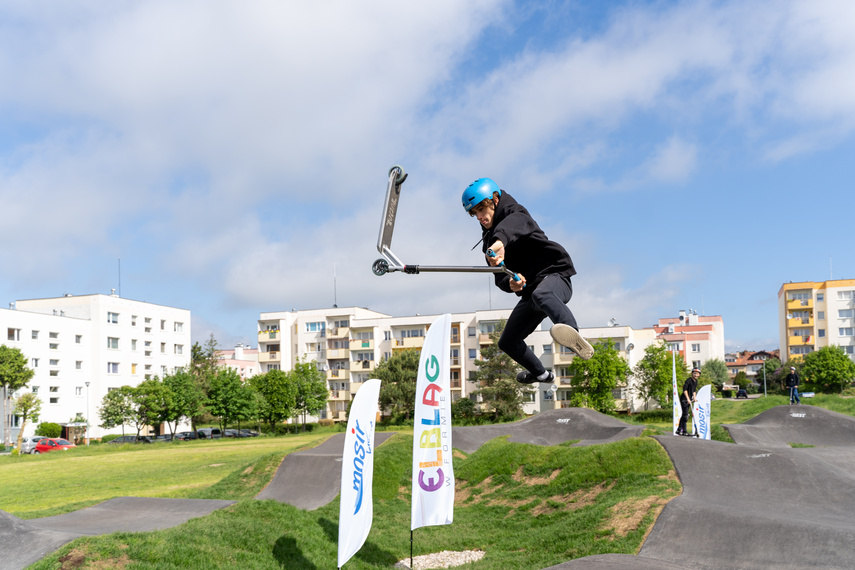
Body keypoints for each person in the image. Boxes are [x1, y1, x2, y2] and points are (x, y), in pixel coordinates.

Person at [462, 177, 593, 385]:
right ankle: (541, 374)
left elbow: (515, 224)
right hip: (531, 294)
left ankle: (573, 336)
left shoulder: (516, 213)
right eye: (474, 214)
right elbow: (499, 278)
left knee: (543, 294)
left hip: (555, 277)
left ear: (494, 200)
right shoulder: (487, 243)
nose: (480, 217)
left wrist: (500, 241)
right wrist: (510, 283)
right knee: (508, 341)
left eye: (481, 209)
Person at [678, 368, 700, 436]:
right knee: (686, 415)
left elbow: (693, 391)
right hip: (684, 399)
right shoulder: (688, 380)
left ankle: (679, 430)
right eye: (694, 373)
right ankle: (684, 431)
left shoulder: (695, 381)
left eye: (697, 373)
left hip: (689, 399)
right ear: (692, 373)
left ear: (699, 375)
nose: (696, 375)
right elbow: (685, 390)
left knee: (685, 415)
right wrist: (688, 399)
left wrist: (694, 398)